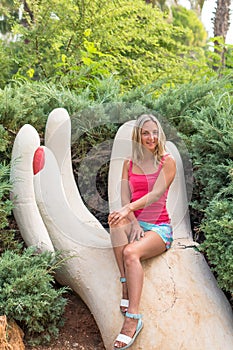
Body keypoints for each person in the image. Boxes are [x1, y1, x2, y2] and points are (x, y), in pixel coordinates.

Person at [108, 114, 176, 350]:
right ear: (138, 135)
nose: (151, 138)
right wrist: (132, 221)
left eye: (155, 132)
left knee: (130, 253)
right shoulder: (129, 162)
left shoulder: (167, 161)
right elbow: (125, 194)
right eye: (146, 133)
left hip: (159, 227)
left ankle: (132, 320)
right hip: (137, 221)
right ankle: (126, 283)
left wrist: (128, 209)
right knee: (114, 221)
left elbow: (156, 194)